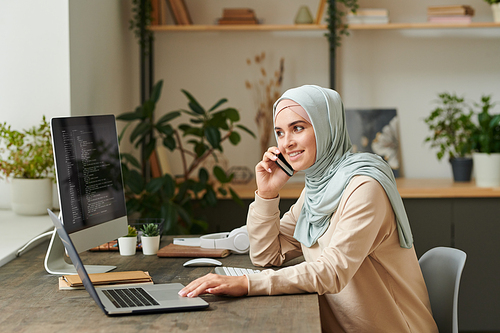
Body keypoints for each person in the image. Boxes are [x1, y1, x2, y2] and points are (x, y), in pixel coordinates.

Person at [179, 85, 438, 333]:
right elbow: (267, 255)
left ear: (327, 128)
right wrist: (268, 194)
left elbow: (332, 272)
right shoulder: (317, 188)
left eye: (298, 128)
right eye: (280, 132)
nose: (286, 143)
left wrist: (247, 283)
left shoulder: (364, 188)